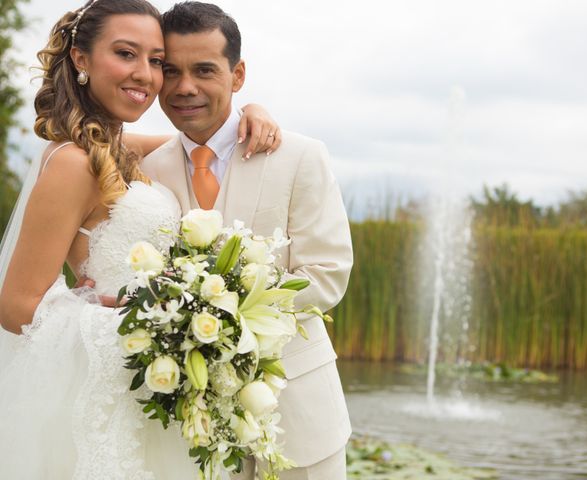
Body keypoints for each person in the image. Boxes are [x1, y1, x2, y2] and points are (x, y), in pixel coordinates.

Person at [0, 1, 280, 478]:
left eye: (156, 61)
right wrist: (141, 318)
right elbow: (16, 306)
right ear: (81, 59)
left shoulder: (115, 147)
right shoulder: (72, 163)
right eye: (126, 54)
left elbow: (202, 138)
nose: (146, 75)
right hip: (120, 378)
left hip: (155, 383)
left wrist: (250, 110)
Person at [142, 3, 353, 479]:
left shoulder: (298, 156)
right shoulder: (148, 171)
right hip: (191, 430)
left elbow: (327, 274)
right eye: (170, 70)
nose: (184, 87)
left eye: (204, 70)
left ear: (237, 76)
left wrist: (222, 316)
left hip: (298, 415)